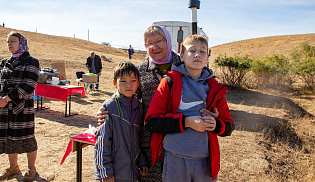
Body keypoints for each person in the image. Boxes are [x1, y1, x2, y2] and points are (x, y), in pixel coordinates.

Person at [97, 25, 219, 182]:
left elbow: (203, 89)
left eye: (159, 41)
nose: (154, 47)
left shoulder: (185, 63)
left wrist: (215, 113)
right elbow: (126, 96)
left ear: (168, 41)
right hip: (150, 143)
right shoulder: (140, 70)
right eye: (149, 43)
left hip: (184, 142)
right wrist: (106, 110)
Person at [144, 35, 235, 182]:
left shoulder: (214, 88)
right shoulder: (169, 82)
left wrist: (216, 124)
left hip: (205, 162)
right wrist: (186, 122)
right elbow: (151, 122)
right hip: (175, 158)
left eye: (203, 51)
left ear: (207, 57)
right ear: (182, 56)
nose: (198, 54)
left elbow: (229, 125)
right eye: (192, 50)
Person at [94, 61, 148, 182]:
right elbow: (102, 143)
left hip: (132, 173)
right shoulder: (109, 107)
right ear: (115, 83)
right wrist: (105, 174)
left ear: (138, 82)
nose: (129, 85)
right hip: (114, 173)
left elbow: (137, 139)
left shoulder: (138, 107)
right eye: (123, 81)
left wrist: (142, 160)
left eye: (133, 80)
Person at [0, 32, 40, 181]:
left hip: (22, 108)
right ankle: (13, 168)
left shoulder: (31, 62)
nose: (9, 44)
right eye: (8, 41)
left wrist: (7, 98)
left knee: (28, 139)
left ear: (21, 43)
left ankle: (32, 169)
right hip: (4, 108)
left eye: (13, 41)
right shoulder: (4, 62)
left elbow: (29, 85)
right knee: (9, 138)